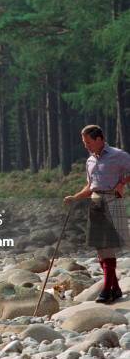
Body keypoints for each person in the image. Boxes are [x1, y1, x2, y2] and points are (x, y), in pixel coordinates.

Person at [64, 125, 130, 303]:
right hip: (95, 202)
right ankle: (115, 289)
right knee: (100, 249)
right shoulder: (90, 161)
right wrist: (75, 197)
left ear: (99, 139)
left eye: (88, 142)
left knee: (108, 247)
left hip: (113, 200)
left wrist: (122, 183)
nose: (86, 146)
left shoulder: (119, 155)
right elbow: (90, 186)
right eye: (84, 142)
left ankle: (106, 290)